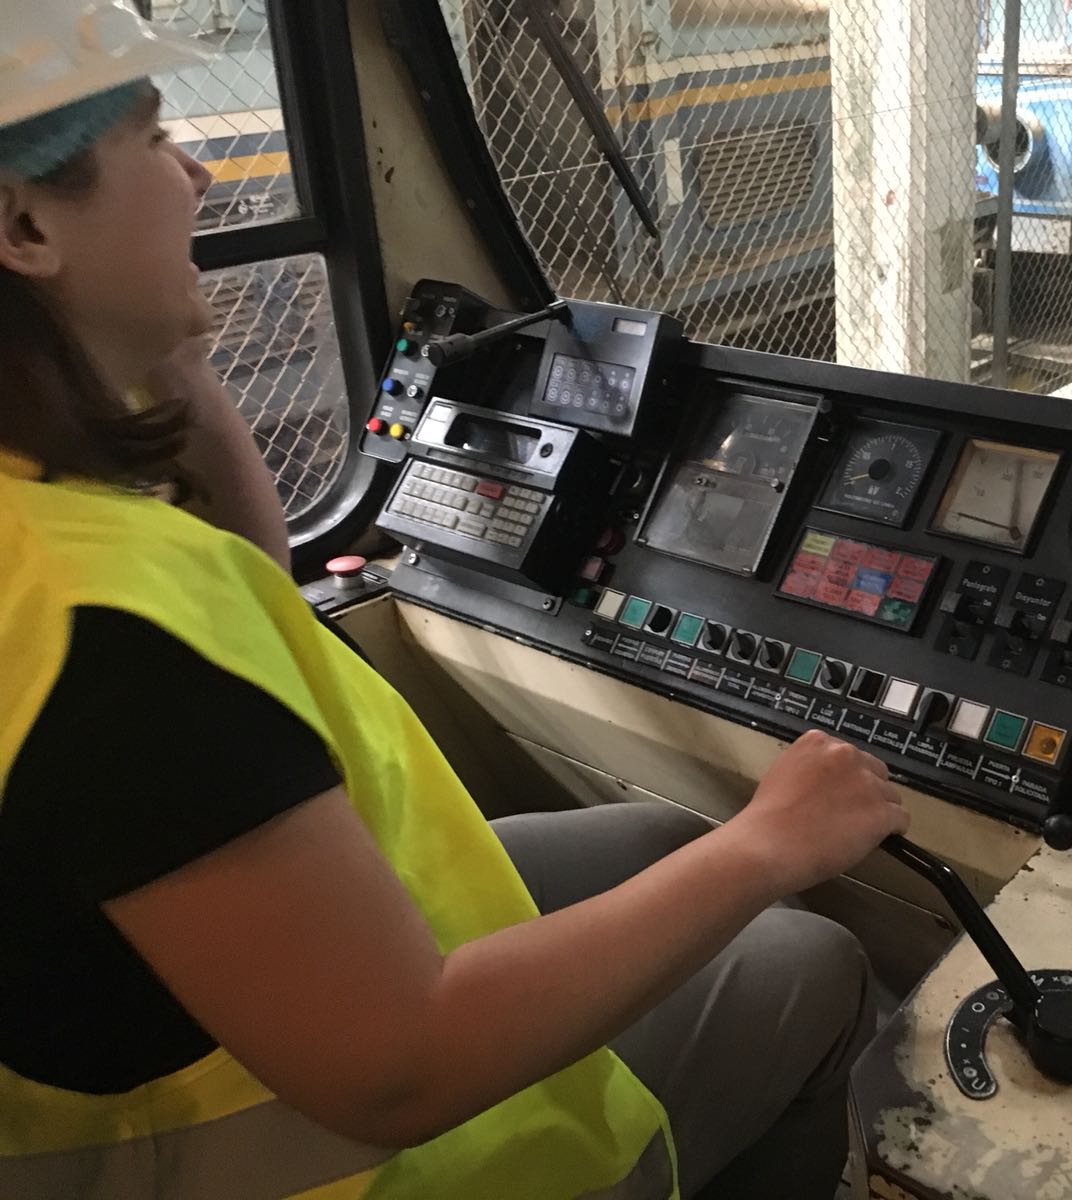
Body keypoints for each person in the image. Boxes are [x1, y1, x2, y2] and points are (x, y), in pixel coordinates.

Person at [0, 4, 910, 1197]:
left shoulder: (50, 506)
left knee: (656, 839)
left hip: (213, 996)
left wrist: (158, 357)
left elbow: (250, 585)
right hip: (338, 1154)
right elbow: (400, 1073)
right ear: (24, 225)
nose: (199, 168)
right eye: (156, 138)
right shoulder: (105, 645)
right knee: (815, 960)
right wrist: (769, 844)